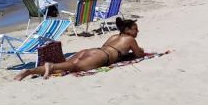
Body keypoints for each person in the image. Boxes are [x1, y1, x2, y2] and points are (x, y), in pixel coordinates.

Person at [14, 17, 147, 80]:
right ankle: (50, 67)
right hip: (101, 56)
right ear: (127, 29)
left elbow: (105, 48)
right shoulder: (130, 39)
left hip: (90, 51)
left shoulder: (113, 36)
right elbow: (139, 55)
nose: (137, 31)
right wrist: (138, 50)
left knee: (66, 65)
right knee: (74, 67)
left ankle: (30, 71)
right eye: (135, 29)